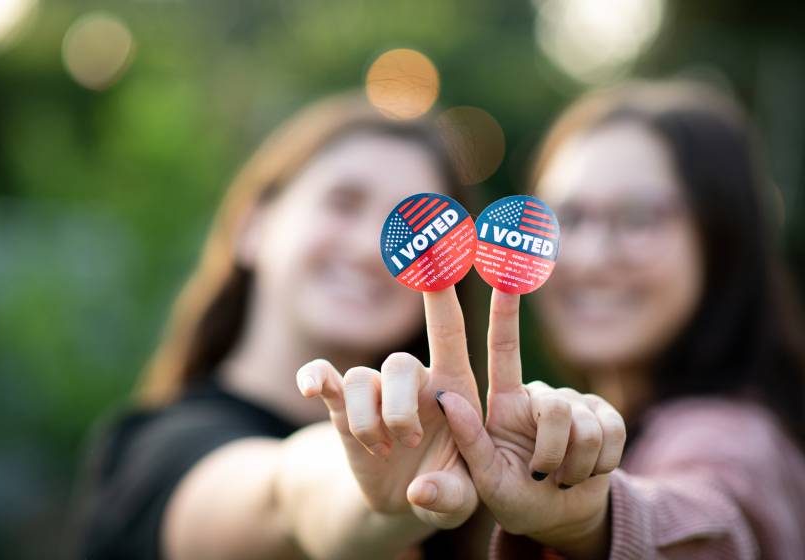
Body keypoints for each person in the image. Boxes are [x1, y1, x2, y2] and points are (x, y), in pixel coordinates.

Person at [309, 80, 805, 559]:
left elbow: (718, 522)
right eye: (564, 217)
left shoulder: (736, 437)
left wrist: (597, 521)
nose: (588, 256)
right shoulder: (610, 425)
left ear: (722, 241)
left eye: (637, 218)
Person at [68, 93, 494, 560]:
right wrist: (371, 502)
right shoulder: (157, 453)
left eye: (414, 227)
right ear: (253, 224)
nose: (371, 248)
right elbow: (288, 497)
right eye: (343, 203)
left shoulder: (455, 475)